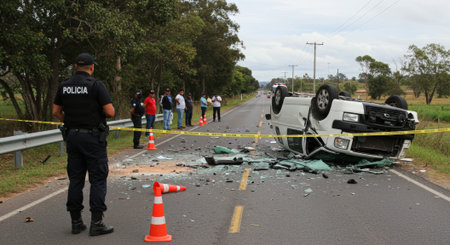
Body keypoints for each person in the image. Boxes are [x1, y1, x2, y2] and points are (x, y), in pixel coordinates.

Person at [53, 53, 114, 236]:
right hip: (93, 139)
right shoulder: (96, 85)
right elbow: (110, 112)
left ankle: (76, 222)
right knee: (97, 179)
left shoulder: (64, 86)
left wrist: (71, 122)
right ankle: (96, 223)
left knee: (76, 180)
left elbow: (56, 111)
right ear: (92, 67)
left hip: (72, 137)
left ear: (75, 66)